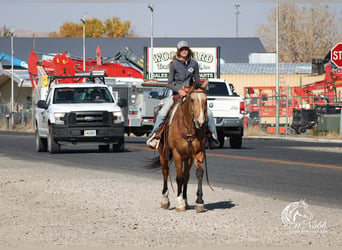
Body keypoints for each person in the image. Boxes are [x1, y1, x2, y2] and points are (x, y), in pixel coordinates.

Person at [146, 40, 220, 149]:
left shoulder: (194, 64)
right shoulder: (174, 65)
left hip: (191, 95)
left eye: (186, 49)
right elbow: (169, 83)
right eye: (182, 50)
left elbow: (197, 81)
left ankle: (213, 138)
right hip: (177, 95)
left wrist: (204, 84)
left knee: (208, 114)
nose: (184, 51)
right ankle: (155, 136)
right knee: (162, 113)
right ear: (178, 51)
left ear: (188, 50)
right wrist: (179, 90)